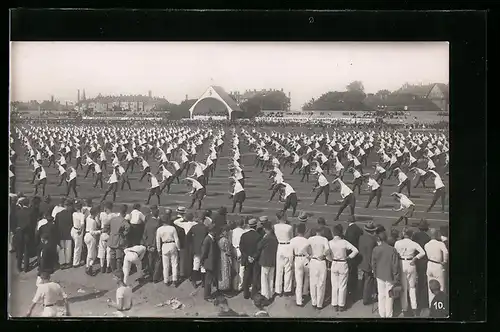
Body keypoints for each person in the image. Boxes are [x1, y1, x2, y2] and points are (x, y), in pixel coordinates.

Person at [394, 227, 426, 316]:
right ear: (411, 235)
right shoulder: (414, 243)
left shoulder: (397, 243)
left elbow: (395, 253)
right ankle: (414, 307)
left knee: (403, 288)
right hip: (411, 263)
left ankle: (404, 308)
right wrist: (415, 258)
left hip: (401, 263)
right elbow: (422, 252)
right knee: (412, 287)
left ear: (404, 234)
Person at [327, 224, 359, 312]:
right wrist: (349, 257)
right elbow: (356, 250)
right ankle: (341, 304)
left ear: (334, 233)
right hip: (343, 263)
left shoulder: (330, 243)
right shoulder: (344, 242)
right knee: (342, 285)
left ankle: (334, 304)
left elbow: (326, 253)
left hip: (334, 263)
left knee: (334, 285)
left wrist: (330, 259)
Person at [372, 231, 400, 318]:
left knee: (381, 294)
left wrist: (375, 272)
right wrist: (396, 276)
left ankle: (382, 313)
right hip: (389, 275)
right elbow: (395, 265)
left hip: (379, 274)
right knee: (390, 295)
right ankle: (389, 314)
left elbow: (373, 263)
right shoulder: (392, 250)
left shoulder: (376, 249)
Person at [424, 228, 448, 307]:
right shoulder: (440, 244)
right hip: (438, 265)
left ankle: (432, 306)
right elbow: (446, 252)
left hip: (430, 265)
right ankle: (441, 305)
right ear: (436, 234)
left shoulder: (426, 245)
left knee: (430, 287)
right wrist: (444, 261)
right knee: (441, 286)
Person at [307, 227, 330, 310]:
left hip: (313, 261)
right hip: (321, 262)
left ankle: (314, 302)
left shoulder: (311, 239)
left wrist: (308, 256)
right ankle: (319, 304)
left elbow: (304, 248)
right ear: (322, 231)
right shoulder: (324, 239)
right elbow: (327, 249)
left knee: (313, 282)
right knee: (321, 283)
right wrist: (323, 255)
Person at [239, 218, 262, 299]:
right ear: (255, 226)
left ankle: (246, 293)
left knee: (247, 275)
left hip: (247, 258)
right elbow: (259, 249)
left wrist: (247, 257)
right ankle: (253, 294)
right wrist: (253, 257)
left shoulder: (244, 236)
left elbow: (242, 248)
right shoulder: (258, 236)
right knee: (255, 276)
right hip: (255, 259)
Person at [273, 211, 294, 297]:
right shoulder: (289, 227)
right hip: (287, 246)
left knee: (279, 269)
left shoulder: (275, 226)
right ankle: (287, 289)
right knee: (288, 269)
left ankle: (278, 290)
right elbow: (291, 237)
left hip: (279, 246)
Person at [412, 219, 431, 311]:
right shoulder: (427, 237)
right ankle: (422, 300)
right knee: (422, 280)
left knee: (415, 280)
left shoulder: (415, 235)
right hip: (424, 260)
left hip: (416, 259)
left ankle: (417, 298)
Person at [156, 213, 181, 287]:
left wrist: (158, 249)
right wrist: (178, 248)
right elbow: (176, 239)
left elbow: (158, 241)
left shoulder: (159, 229)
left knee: (165, 265)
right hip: (172, 245)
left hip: (164, 245)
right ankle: (174, 280)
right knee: (174, 263)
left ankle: (166, 280)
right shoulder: (172, 228)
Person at [290, 223, 311, 307]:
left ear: (297, 230)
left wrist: (291, 263)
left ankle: (299, 301)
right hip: (305, 259)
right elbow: (309, 252)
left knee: (298, 280)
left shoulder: (293, 240)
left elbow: (290, 253)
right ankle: (305, 292)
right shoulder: (307, 240)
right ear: (305, 231)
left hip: (297, 259)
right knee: (307, 277)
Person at [257, 221, 279, 301]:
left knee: (264, 279)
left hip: (265, 261)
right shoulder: (275, 237)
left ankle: (265, 295)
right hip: (273, 260)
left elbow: (259, 246)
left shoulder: (266, 238)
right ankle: (270, 294)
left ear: (265, 229)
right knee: (271, 278)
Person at [344, 216, 363, 306]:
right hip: (356, 252)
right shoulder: (358, 229)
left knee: (350, 272)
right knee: (354, 271)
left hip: (350, 253)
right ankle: (354, 289)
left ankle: (350, 290)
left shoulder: (349, 229)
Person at [173, 208, 196, 281]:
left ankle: (186, 272)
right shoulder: (195, 224)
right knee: (192, 258)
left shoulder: (185, 224)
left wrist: (183, 218)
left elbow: (176, 222)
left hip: (187, 241)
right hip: (193, 240)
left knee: (186, 257)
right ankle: (191, 272)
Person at [186, 213, 209, 288]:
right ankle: (203, 282)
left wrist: (192, 244)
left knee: (195, 265)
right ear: (204, 220)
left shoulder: (194, 227)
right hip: (203, 249)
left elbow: (187, 237)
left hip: (196, 249)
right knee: (203, 266)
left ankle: (194, 281)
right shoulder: (206, 228)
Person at [108, 204, 131, 271]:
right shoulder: (123, 221)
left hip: (111, 238)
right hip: (118, 240)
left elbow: (108, 225)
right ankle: (118, 270)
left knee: (112, 255)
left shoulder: (113, 219)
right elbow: (128, 227)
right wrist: (124, 233)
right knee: (119, 257)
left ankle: (113, 269)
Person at [141, 205, 161, 282]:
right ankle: (155, 277)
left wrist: (147, 245)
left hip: (149, 244)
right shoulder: (158, 223)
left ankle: (150, 274)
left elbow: (144, 235)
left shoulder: (148, 222)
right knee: (157, 260)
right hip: (155, 244)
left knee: (150, 260)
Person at [200, 224, 220, 301]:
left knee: (211, 279)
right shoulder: (207, 240)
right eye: (215, 230)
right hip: (209, 263)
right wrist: (202, 262)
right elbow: (204, 252)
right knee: (208, 280)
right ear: (211, 231)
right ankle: (207, 296)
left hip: (213, 262)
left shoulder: (212, 239)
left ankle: (213, 292)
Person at [55, 199, 74, 270]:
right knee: (68, 249)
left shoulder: (58, 214)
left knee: (61, 249)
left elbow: (56, 224)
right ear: (69, 206)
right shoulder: (71, 214)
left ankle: (61, 263)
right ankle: (68, 262)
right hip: (68, 233)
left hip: (60, 233)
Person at [231, 217, 249, 292]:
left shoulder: (232, 231)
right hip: (242, 250)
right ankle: (240, 286)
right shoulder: (244, 232)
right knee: (242, 269)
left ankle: (234, 285)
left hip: (234, 249)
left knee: (235, 268)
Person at [84, 206, 101, 276]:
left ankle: (88, 266)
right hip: (91, 237)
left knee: (90, 252)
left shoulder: (88, 218)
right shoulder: (93, 222)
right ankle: (89, 267)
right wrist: (100, 231)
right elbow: (92, 232)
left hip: (86, 236)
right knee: (91, 254)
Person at [218, 225, 234, 295]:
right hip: (225, 257)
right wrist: (230, 258)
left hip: (221, 256)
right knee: (226, 272)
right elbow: (228, 251)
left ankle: (221, 286)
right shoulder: (226, 240)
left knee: (222, 272)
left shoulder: (220, 239)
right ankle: (226, 287)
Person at [71, 200, 85, 268]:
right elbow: (82, 224)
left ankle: (74, 259)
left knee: (75, 246)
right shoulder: (82, 215)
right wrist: (80, 229)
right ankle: (76, 263)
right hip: (78, 231)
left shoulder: (73, 214)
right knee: (77, 248)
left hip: (73, 229)